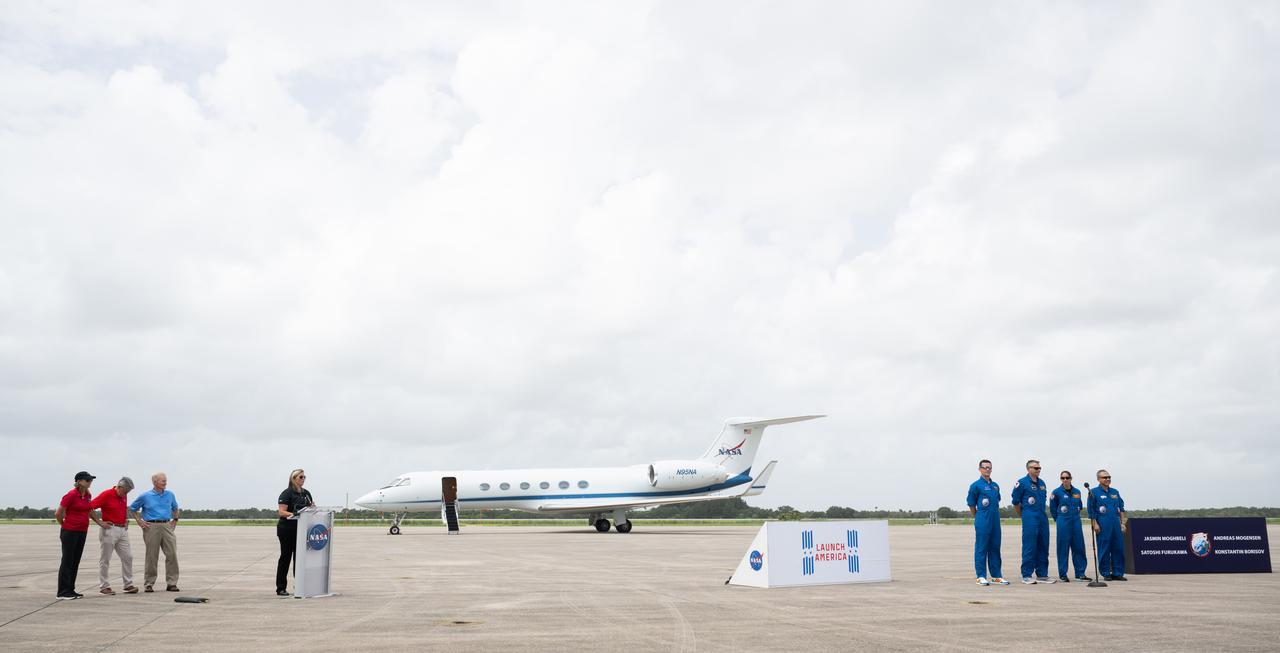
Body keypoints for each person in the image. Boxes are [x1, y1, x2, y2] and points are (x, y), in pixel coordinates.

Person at [129, 472, 181, 592]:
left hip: (167, 525)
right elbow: (132, 508)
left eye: (166, 480)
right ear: (155, 482)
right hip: (151, 526)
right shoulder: (145, 496)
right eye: (163, 481)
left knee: (172, 554)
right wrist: (139, 521)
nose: (165, 483)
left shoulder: (170, 494)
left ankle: (172, 583)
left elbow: (175, 507)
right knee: (152, 556)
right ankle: (149, 583)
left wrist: (175, 520)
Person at [55, 471, 103, 599]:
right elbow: (58, 513)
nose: (90, 482)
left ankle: (70, 589)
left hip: (82, 531)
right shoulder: (71, 495)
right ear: (79, 481)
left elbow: (90, 510)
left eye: (91, 480)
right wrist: (64, 525)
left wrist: (99, 522)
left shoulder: (87, 495)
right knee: (67, 560)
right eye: (88, 480)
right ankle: (62, 592)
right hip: (69, 532)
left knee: (75, 561)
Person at [90, 476, 138, 595]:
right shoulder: (106, 494)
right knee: (105, 559)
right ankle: (104, 586)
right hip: (109, 530)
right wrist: (100, 522)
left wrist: (125, 519)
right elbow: (89, 507)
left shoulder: (123, 495)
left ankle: (128, 584)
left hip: (122, 530)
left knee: (128, 557)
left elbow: (121, 509)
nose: (126, 494)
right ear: (120, 487)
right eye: (125, 491)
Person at [966, 460, 1008, 586]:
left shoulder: (995, 486)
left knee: (995, 547)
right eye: (984, 468)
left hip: (995, 521)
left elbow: (997, 500)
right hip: (983, 520)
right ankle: (981, 576)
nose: (987, 470)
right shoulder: (975, 485)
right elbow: (971, 504)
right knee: (981, 548)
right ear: (980, 469)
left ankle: (996, 576)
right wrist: (978, 517)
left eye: (989, 468)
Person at [1011, 459, 1054, 584]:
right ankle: (1026, 574)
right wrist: (1023, 515)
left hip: (1042, 517)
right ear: (1028, 469)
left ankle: (1042, 574)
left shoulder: (1042, 483)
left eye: (1039, 468)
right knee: (1030, 545)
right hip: (1029, 516)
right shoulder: (1022, 482)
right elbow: (1015, 502)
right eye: (1036, 468)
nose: (1038, 470)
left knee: (1043, 545)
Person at [276, 469, 315, 596]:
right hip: (287, 530)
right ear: (293, 479)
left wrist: (312, 508)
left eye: (304, 477)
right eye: (300, 477)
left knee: (300, 559)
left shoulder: (306, 493)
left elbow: (310, 507)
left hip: (301, 530)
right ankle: (281, 588)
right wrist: (295, 514)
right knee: (286, 558)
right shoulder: (287, 493)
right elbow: (281, 512)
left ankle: (299, 586)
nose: (303, 479)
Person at [1088, 469, 1127, 581]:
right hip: (1102, 522)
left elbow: (1121, 509)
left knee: (1118, 548)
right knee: (1104, 548)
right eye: (1105, 477)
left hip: (1115, 522)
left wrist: (1122, 523)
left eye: (1109, 477)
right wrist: (1095, 524)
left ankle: (1118, 572)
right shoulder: (1094, 492)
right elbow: (1091, 510)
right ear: (1098, 479)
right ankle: (1105, 573)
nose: (1107, 479)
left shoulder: (1115, 492)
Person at [1049, 470, 1088, 582]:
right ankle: (1063, 573)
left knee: (1079, 547)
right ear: (1061, 479)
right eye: (1063, 478)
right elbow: (1053, 508)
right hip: (1063, 521)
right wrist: (1059, 519)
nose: (1065, 480)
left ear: (1071, 478)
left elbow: (1080, 506)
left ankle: (1080, 573)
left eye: (1067, 477)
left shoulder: (1077, 492)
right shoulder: (1056, 492)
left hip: (1076, 521)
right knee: (1063, 548)